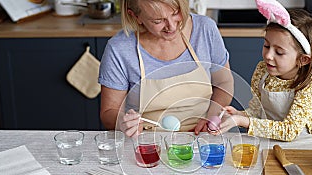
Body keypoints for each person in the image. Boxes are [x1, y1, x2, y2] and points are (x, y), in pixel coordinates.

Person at [98, 0, 233, 138]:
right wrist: (122, 122)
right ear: (135, 16)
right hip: (146, 142)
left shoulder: (205, 29)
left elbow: (224, 83)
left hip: (204, 136)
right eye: (158, 21)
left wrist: (211, 117)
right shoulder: (119, 49)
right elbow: (109, 112)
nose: (172, 26)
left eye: (176, 12)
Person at [218, 2, 312, 142]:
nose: (268, 55)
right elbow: (257, 111)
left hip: (301, 146)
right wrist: (239, 114)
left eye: (279, 52)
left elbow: (289, 131)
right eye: (266, 45)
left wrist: (241, 121)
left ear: (303, 60)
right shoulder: (262, 70)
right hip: (266, 142)